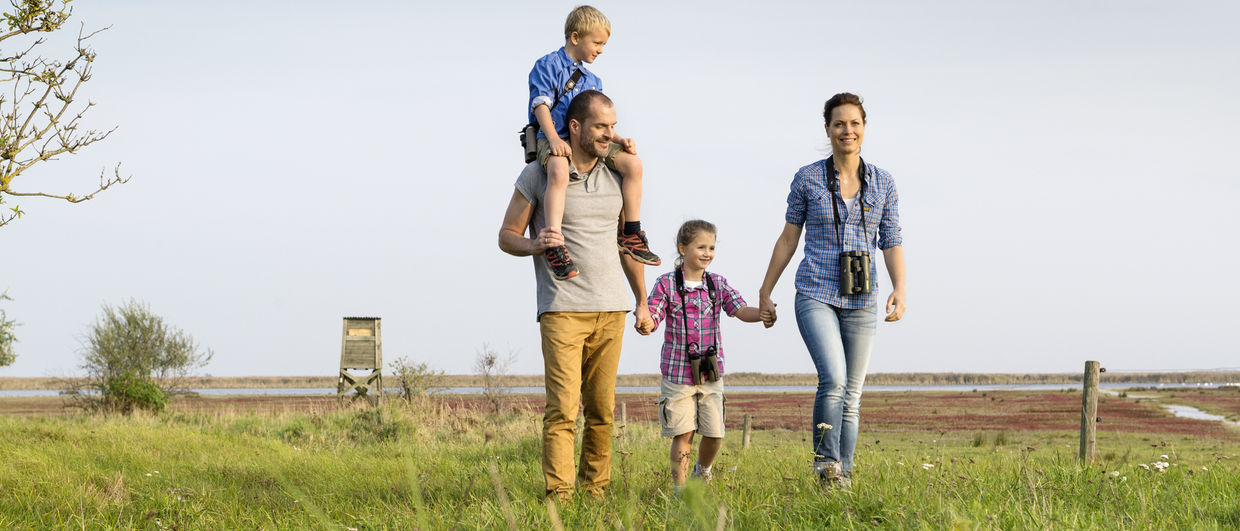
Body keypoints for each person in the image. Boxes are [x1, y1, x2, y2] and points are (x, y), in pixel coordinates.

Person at [499, 90, 653, 500]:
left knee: (602, 412)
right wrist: (536, 244)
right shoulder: (539, 174)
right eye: (601, 127)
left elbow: (628, 246)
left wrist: (641, 301)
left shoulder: (617, 175)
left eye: (613, 126)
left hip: (612, 310)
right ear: (575, 126)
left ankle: (595, 493)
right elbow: (507, 236)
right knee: (563, 411)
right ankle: (560, 498)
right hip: (563, 310)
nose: (609, 134)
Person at [757, 92, 906, 489]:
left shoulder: (884, 182)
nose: (847, 130)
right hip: (816, 291)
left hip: (863, 297)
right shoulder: (807, 178)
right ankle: (826, 468)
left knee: (852, 395)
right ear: (827, 129)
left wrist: (900, 288)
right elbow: (789, 238)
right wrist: (766, 290)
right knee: (834, 379)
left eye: (854, 123)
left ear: (864, 128)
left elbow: (891, 240)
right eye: (839, 124)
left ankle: (845, 478)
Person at [526, 5, 660, 281]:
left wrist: (619, 139)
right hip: (553, 136)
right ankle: (555, 243)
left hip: (586, 139)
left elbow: (598, 120)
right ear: (576, 37)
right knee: (559, 170)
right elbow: (541, 106)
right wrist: (553, 139)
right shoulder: (547, 65)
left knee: (633, 165)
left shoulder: (592, 79)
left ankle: (631, 233)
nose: (600, 50)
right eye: (597, 43)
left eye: (603, 45)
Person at [642, 220, 769, 491]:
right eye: (701, 247)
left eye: (711, 248)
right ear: (683, 248)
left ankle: (703, 471)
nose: (707, 253)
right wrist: (645, 322)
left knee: (715, 434)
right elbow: (653, 315)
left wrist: (762, 314)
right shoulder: (666, 283)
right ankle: (681, 492)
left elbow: (740, 309)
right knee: (683, 434)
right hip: (678, 374)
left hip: (711, 373)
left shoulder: (717, 283)